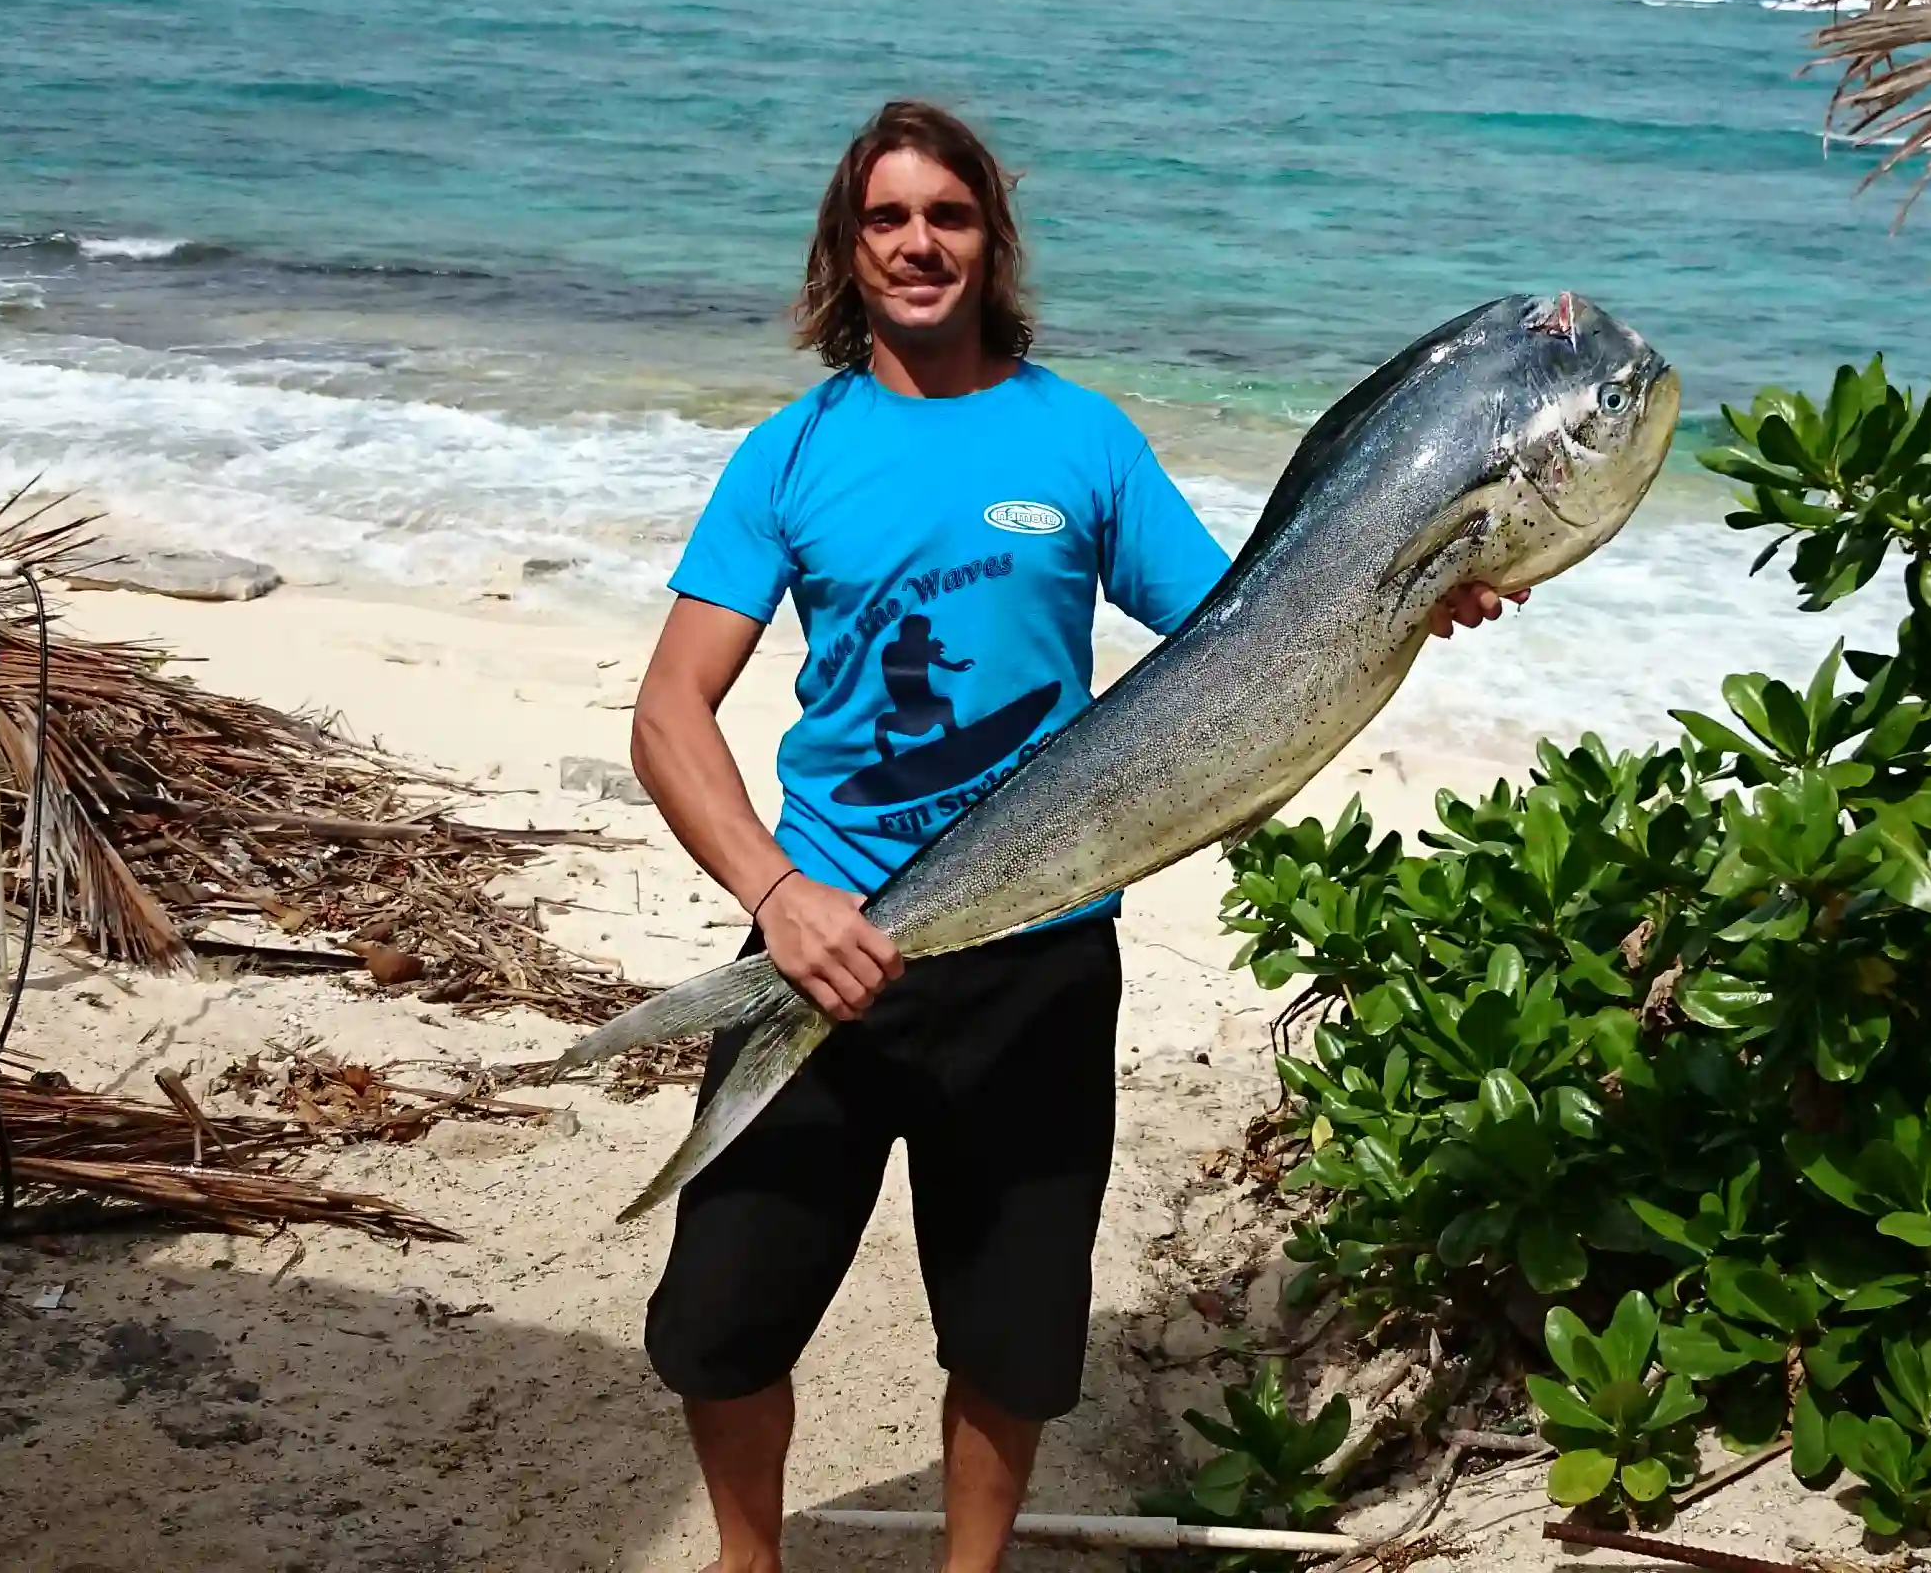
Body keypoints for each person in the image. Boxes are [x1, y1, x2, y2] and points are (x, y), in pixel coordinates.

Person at [629, 99, 1520, 1573]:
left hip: (1038, 958)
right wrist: (778, 897)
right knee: (720, 1324)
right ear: (847, 255)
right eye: (888, 219)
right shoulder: (789, 459)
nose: (921, 244)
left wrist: (1410, 589)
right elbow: (670, 713)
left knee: (1015, 1337)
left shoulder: (1081, 439)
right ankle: (748, 1561)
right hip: (822, 941)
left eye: (949, 215)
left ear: (992, 239)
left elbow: (1249, 629)